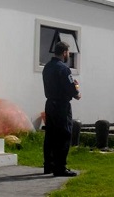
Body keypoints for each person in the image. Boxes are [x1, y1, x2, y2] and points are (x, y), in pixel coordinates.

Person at [42, 41, 81, 177]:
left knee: (50, 135)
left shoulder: (47, 67)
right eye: (68, 53)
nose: (68, 55)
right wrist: (77, 90)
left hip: (50, 104)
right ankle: (60, 168)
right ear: (64, 52)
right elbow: (71, 89)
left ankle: (49, 165)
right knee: (64, 135)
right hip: (61, 106)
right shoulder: (64, 69)